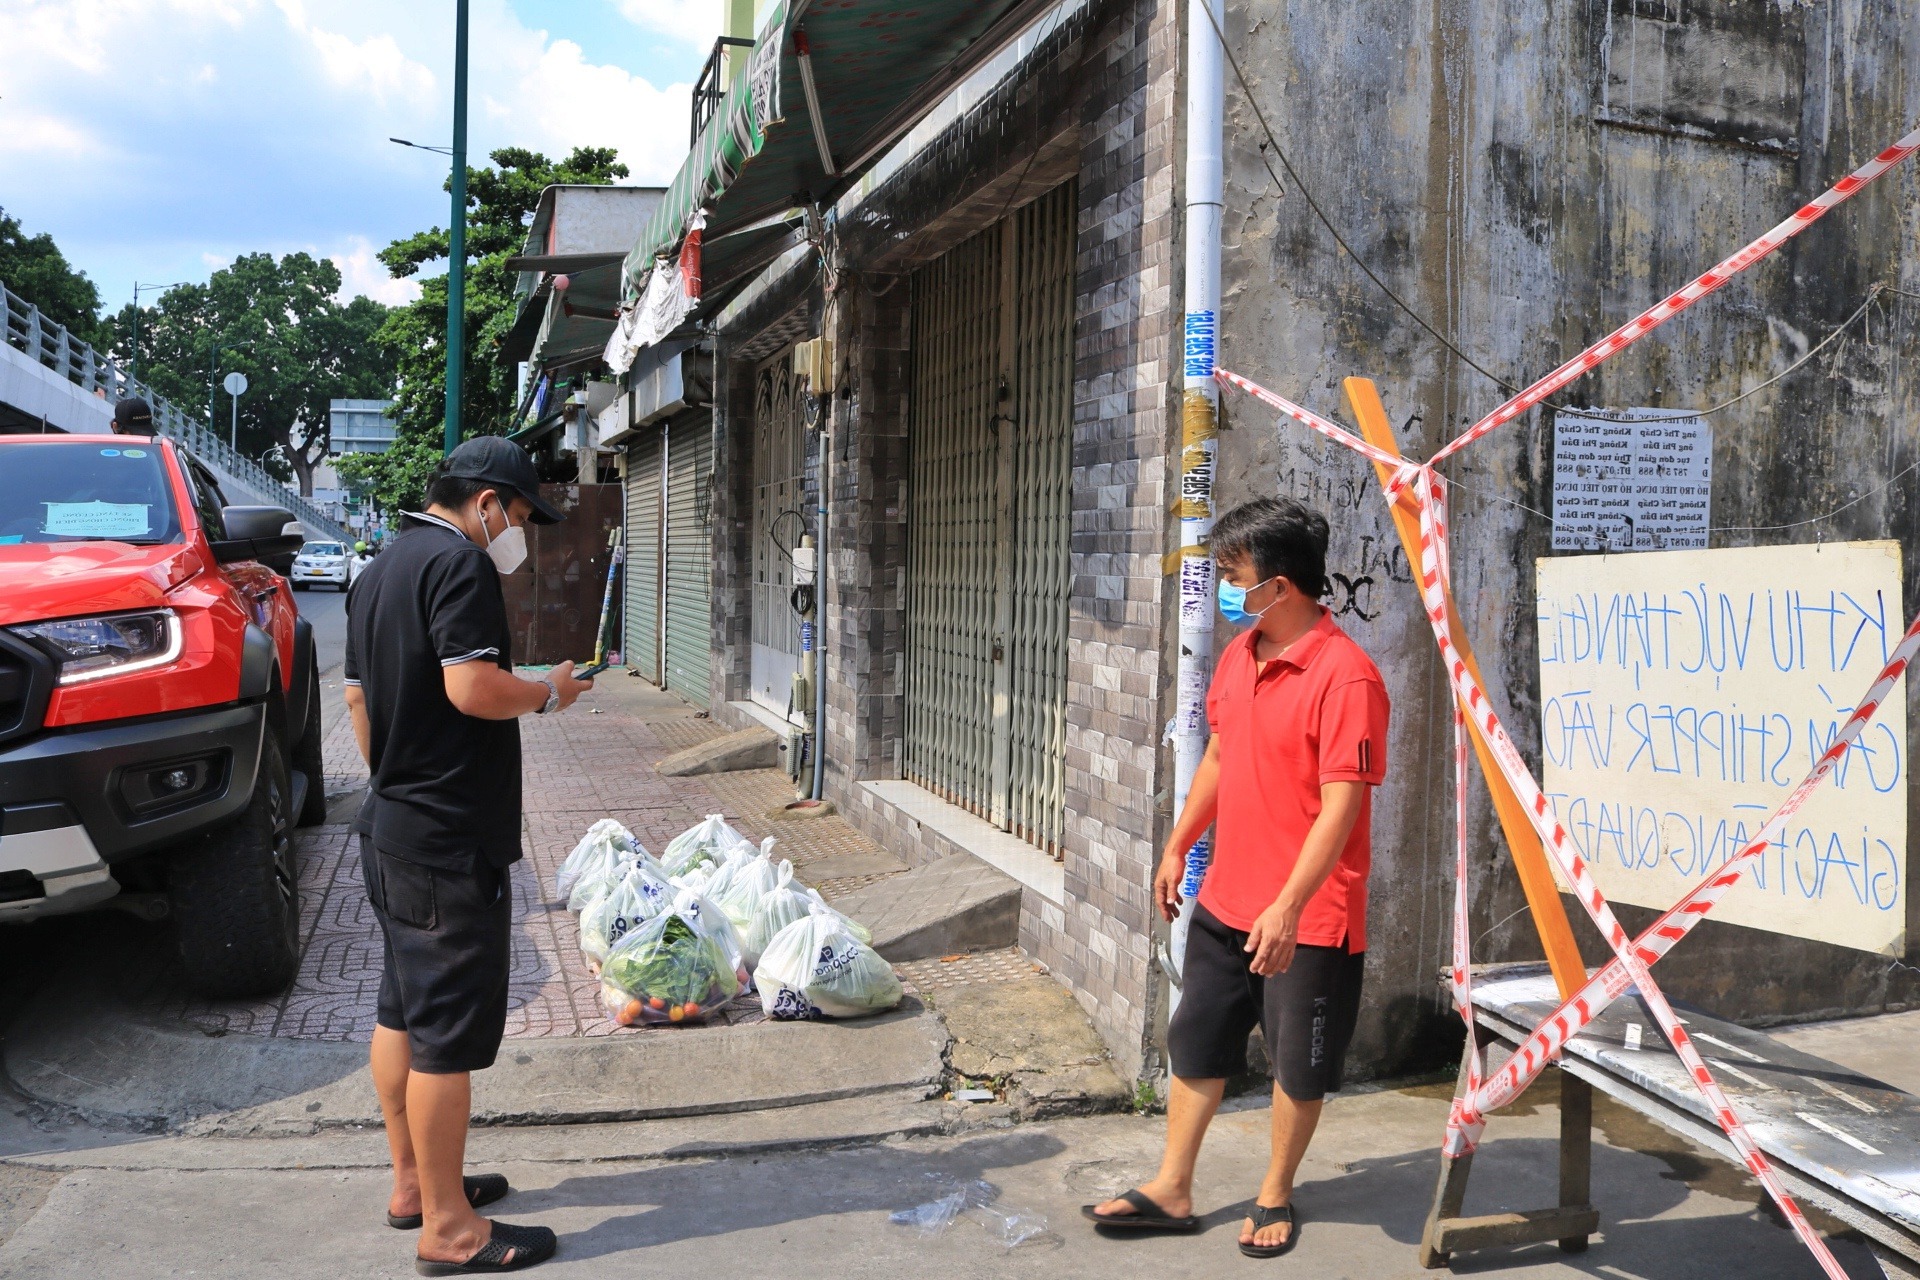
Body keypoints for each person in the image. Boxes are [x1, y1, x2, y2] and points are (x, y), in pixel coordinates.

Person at [1084, 497, 1390, 1258]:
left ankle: (1276, 1192)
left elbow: (1342, 810)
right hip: (1227, 897)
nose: (1224, 586)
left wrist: (1290, 905)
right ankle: (1172, 1187)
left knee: (1298, 1063)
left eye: (1234, 573)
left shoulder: (1346, 678)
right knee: (1197, 1039)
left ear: (1280, 585)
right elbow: (1220, 756)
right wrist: (1176, 843)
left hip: (1308, 918)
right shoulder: (1239, 654)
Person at [342, 436, 593, 1275]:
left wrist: (395, 781)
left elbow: (357, 698)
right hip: (447, 840)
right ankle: (450, 1233)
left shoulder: (379, 568)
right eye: (519, 514)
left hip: (393, 827)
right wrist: (548, 692)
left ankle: (414, 1185)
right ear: (486, 502)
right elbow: (472, 687)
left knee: (402, 1012)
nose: (518, 531)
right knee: (444, 1035)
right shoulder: (460, 566)